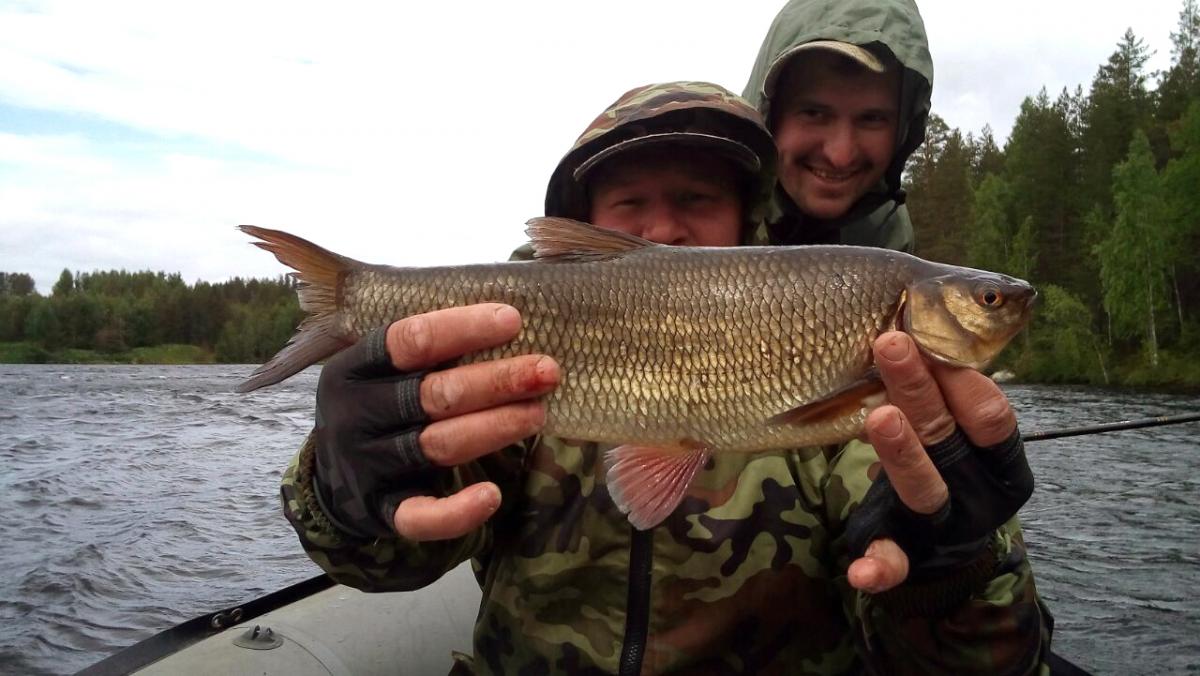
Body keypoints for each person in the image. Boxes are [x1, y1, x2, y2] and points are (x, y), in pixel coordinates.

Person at [280, 78, 1053, 674]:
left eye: (695, 200)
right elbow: (388, 566)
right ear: (582, 227)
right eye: (630, 203)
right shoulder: (505, 366)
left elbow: (991, 663)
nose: (662, 229)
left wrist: (956, 563)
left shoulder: (875, 395)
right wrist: (349, 486)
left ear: (746, 223)